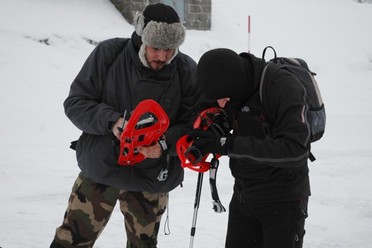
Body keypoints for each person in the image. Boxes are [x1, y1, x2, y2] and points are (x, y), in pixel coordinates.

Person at [50, 3, 201, 248]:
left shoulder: (186, 70)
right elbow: (76, 103)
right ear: (141, 37)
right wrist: (112, 121)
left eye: (170, 49)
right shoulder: (109, 54)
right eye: (156, 48)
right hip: (101, 170)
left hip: (151, 178)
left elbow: (193, 125)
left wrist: (164, 144)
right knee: (71, 241)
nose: (162, 56)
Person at [188, 48, 311, 248]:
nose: (220, 103)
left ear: (235, 84)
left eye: (223, 98)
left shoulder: (282, 87)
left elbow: (295, 150)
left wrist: (228, 144)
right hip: (244, 195)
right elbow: (216, 114)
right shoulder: (229, 85)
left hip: (283, 200)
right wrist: (212, 131)